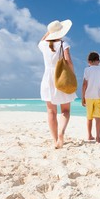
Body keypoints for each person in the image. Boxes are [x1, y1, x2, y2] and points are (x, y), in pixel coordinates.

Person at [38, 19, 77, 149]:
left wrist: (49, 32)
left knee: (51, 111)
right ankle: (61, 133)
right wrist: (72, 74)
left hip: (48, 79)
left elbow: (42, 39)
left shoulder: (43, 45)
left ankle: (55, 140)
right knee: (65, 110)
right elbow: (68, 61)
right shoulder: (63, 44)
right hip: (62, 77)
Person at [82, 52, 100, 143]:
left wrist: (83, 97)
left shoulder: (87, 70)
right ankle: (98, 137)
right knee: (98, 118)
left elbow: (84, 85)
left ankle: (89, 135)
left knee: (89, 117)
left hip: (89, 97)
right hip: (99, 96)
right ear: (98, 61)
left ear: (89, 61)